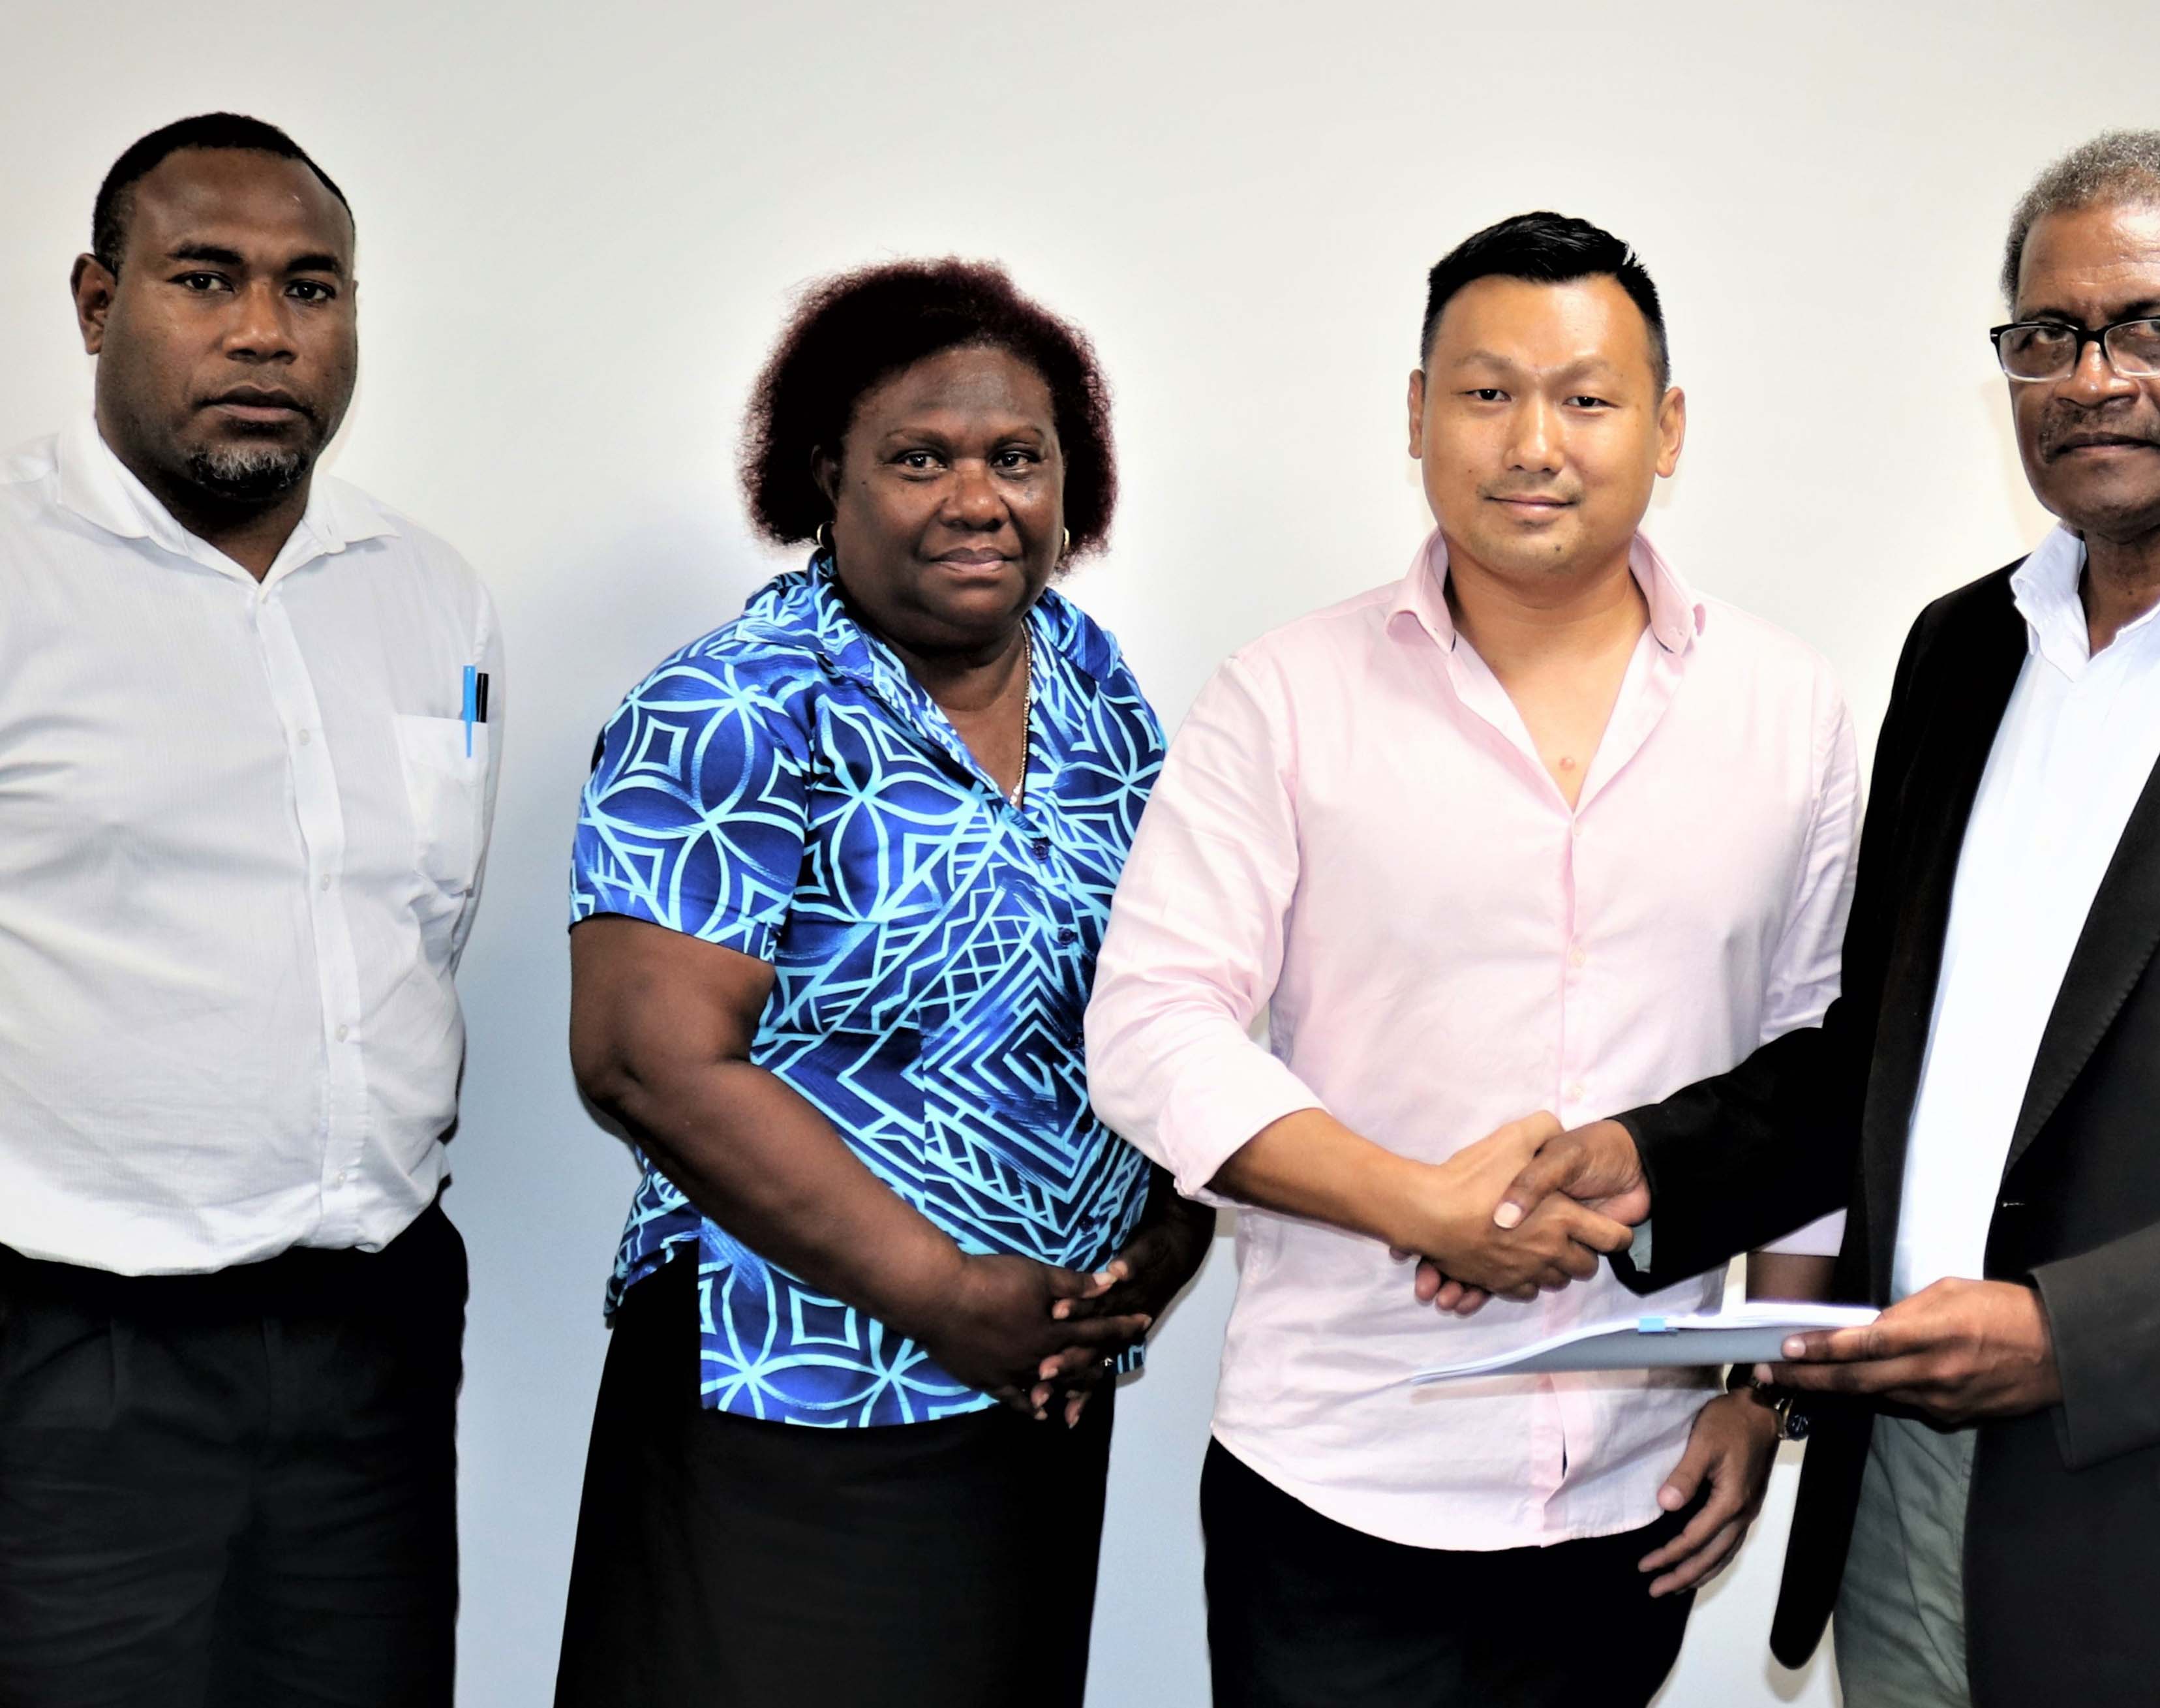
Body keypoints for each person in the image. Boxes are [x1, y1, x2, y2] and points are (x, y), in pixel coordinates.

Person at [1480, 131, 2160, 1705]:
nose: (2093, 378)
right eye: (2047, 337)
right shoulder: (1959, 654)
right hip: (1902, 1500)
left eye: (2155, 328)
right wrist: (1654, 1160)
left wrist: (2074, 1334)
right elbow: (1886, 1057)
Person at [1081, 211, 1853, 1708]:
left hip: (1642, 1484)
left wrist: (1765, 1393)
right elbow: (1155, 1027)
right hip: (1344, 1470)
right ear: (1418, 415)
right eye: (1487, 393)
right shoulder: (1286, 698)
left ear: (1667, 426)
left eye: (1586, 396)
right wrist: (1416, 1200)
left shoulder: (1792, 712)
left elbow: (1816, 1068)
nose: (1535, 442)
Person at [553, 258, 1211, 1707]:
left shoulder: (1091, 683)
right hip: (788, 1403)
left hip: (1035, 1392)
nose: (977, 499)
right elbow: (647, 1062)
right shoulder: (733, 704)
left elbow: (1171, 979)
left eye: (1017, 458)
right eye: (920, 458)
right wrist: (949, 1292)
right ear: (823, 478)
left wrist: (1165, 1229)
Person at [0, 113, 496, 1707]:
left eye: (313, 286)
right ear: (96, 302)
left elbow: (424, 924)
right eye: (204, 279)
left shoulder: (430, 592)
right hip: (71, 1351)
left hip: (374, 1332)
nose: (265, 332)